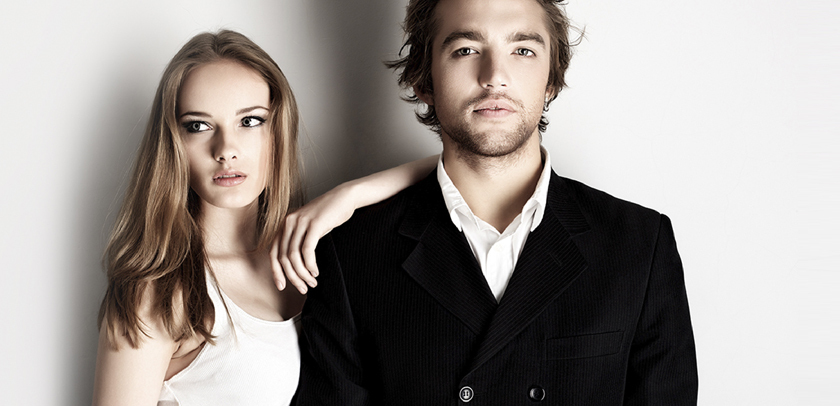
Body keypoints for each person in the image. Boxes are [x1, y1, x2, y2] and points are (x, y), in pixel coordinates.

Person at [295, 0, 698, 404]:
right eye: (466, 50)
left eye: (522, 50)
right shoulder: (350, 253)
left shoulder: (639, 245)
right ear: (424, 80)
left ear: (552, 79)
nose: (494, 77)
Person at [91, 30, 435, 406]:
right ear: (174, 144)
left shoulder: (320, 256)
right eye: (198, 126)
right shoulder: (159, 292)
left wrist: (348, 197)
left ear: (277, 131)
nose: (226, 150)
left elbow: (457, 168)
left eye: (250, 121)